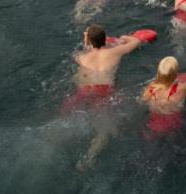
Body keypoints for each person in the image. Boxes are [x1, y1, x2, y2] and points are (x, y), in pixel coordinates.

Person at [63, 24, 152, 170]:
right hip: (103, 91)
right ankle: (88, 159)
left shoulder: (81, 57)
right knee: (104, 129)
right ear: (105, 39)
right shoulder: (115, 52)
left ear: (88, 41)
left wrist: (86, 41)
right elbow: (136, 42)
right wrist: (124, 38)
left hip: (83, 90)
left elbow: (86, 50)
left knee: (66, 115)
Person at [141, 56, 186, 136]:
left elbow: (143, 99)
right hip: (172, 120)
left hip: (153, 120)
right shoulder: (182, 88)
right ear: (175, 74)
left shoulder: (151, 86)